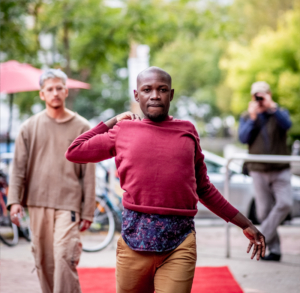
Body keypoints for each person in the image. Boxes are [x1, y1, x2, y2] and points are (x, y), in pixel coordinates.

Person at [66, 67, 265, 293]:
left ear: (170, 94)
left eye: (161, 90)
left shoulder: (187, 131)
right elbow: (75, 151)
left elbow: (204, 189)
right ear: (136, 95)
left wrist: (245, 224)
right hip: (133, 244)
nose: (154, 95)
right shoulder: (123, 130)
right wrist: (112, 121)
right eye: (147, 89)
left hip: (179, 244)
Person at [8, 69, 95, 293]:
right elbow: (18, 168)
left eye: (59, 88)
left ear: (66, 91)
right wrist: (15, 200)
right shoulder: (28, 127)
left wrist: (88, 211)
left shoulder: (82, 127)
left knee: (64, 257)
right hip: (37, 203)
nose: (55, 93)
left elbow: (89, 173)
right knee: (43, 261)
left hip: (69, 205)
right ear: (42, 94)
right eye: (50, 89)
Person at [239, 81, 293, 262]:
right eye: (257, 95)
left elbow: (287, 126)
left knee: (285, 203)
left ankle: (261, 237)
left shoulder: (279, 113)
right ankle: (275, 250)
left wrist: (273, 108)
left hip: (280, 168)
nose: (260, 98)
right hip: (258, 170)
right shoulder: (248, 116)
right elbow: (243, 137)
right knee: (263, 212)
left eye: (263, 95)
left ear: (269, 94)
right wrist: (254, 118)